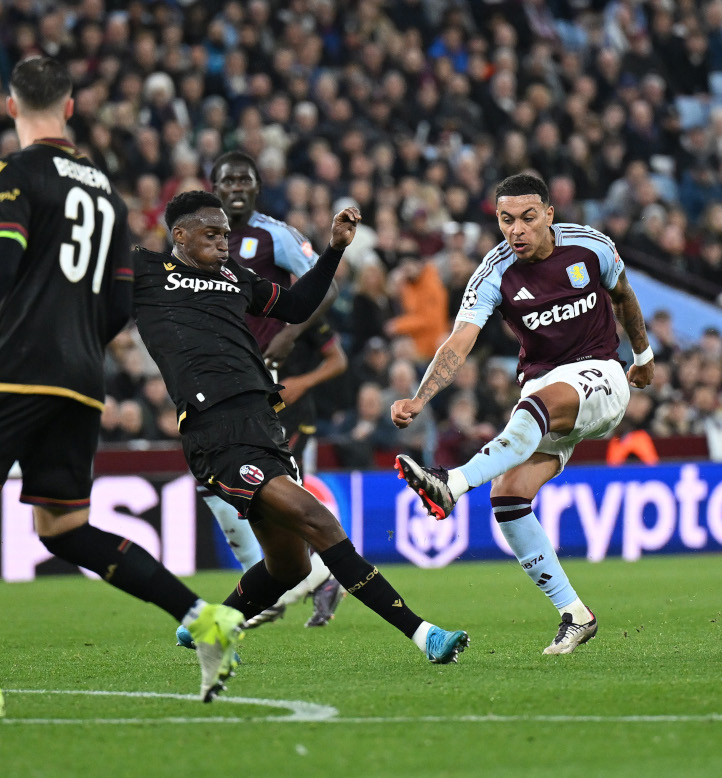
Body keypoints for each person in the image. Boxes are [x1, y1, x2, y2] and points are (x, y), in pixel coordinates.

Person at [0, 57, 243, 721]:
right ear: (69, 107)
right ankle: (204, 618)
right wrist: (69, 347)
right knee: (62, 527)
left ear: (11, 107)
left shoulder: (14, 171)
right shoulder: (106, 193)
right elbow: (118, 303)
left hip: (26, 370)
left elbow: (0, 259)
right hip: (82, 379)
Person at [135, 190, 469, 671]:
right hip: (216, 430)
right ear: (180, 235)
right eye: (211, 235)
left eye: (226, 234)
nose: (224, 242)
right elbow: (74, 290)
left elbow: (296, 306)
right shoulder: (145, 272)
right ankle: (423, 634)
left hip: (263, 424)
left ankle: (213, 626)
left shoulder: (234, 277)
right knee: (321, 522)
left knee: (290, 565)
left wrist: (333, 250)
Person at [392, 174, 655, 655]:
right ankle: (575, 614)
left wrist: (643, 355)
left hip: (600, 373)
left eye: (528, 218)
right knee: (508, 496)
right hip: (544, 389)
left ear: (549, 215)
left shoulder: (590, 246)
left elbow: (623, 294)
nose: (517, 230)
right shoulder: (494, 273)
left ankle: (452, 484)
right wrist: (420, 398)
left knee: (536, 406)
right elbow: (459, 341)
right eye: (506, 220)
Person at [182, 150, 347, 633]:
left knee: (277, 491)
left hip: (267, 384)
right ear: (213, 187)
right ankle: (277, 581)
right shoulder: (197, 240)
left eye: (244, 179)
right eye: (227, 180)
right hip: (218, 382)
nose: (236, 187)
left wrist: (291, 334)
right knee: (214, 485)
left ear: (257, 186)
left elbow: (326, 286)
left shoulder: (274, 235)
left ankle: (308, 578)